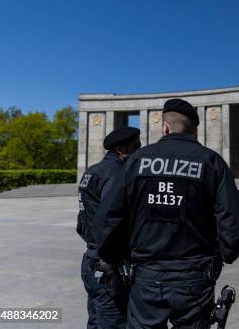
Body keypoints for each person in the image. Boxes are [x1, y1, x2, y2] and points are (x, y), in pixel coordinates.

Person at [94, 98, 239, 329]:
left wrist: (117, 257)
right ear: (195, 129)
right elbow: (232, 218)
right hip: (194, 276)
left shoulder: (138, 159)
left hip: (145, 273)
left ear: (165, 126)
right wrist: (225, 254)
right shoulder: (210, 161)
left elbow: (108, 216)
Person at [77, 126, 141, 329]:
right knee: (114, 322)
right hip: (110, 267)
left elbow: (82, 223)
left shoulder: (92, 172)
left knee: (96, 320)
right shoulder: (117, 174)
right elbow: (112, 222)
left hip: (92, 260)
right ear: (121, 149)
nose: (140, 151)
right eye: (136, 147)